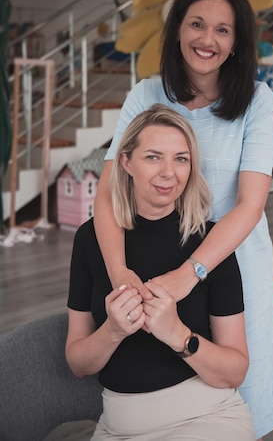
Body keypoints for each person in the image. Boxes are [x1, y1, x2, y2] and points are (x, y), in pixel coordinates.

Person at [94, 0, 273, 440]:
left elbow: (249, 204)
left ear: (237, 42)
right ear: (178, 29)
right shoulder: (146, 93)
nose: (207, 39)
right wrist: (119, 271)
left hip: (231, 259)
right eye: (197, 24)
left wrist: (190, 273)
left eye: (223, 29)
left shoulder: (257, 100)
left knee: (237, 377)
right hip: (152, 258)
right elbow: (107, 190)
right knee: (158, 373)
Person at [66, 104, 255, 441]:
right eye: (153, 157)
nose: (169, 172)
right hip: (118, 427)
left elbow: (236, 371)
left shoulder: (210, 243)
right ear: (126, 162)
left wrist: (178, 334)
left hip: (208, 417)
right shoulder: (90, 240)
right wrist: (112, 330)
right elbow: (78, 363)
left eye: (181, 159)